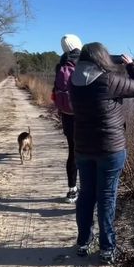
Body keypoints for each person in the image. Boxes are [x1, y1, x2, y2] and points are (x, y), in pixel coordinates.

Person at [70, 42, 134, 264]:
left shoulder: (74, 81)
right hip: (109, 150)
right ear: (102, 59)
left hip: (83, 148)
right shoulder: (108, 80)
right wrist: (131, 65)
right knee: (106, 197)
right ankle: (106, 248)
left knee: (86, 195)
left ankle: (83, 242)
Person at [52, 34, 83, 203]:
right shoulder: (85, 62)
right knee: (87, 152)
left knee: (72, 151)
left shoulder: (60, 65)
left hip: (67, 116)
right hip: (83, 116)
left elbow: (55, 91)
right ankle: (88, 188)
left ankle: (72, 190)